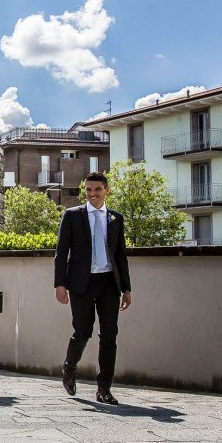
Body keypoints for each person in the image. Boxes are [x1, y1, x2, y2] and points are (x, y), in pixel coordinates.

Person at [55, 171, 133, 405]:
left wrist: (127, 288)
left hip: (109, 283)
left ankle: (104, 388)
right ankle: (69, 368)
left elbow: (121, 255)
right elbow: (62, 253)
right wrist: (59, 284)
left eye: (97, 189)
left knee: (109, 335)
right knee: (82, 332)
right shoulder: (72, 216)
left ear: (106, 190)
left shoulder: (115, 219)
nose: (92, 194)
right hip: (81, 283)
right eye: (88, 190)